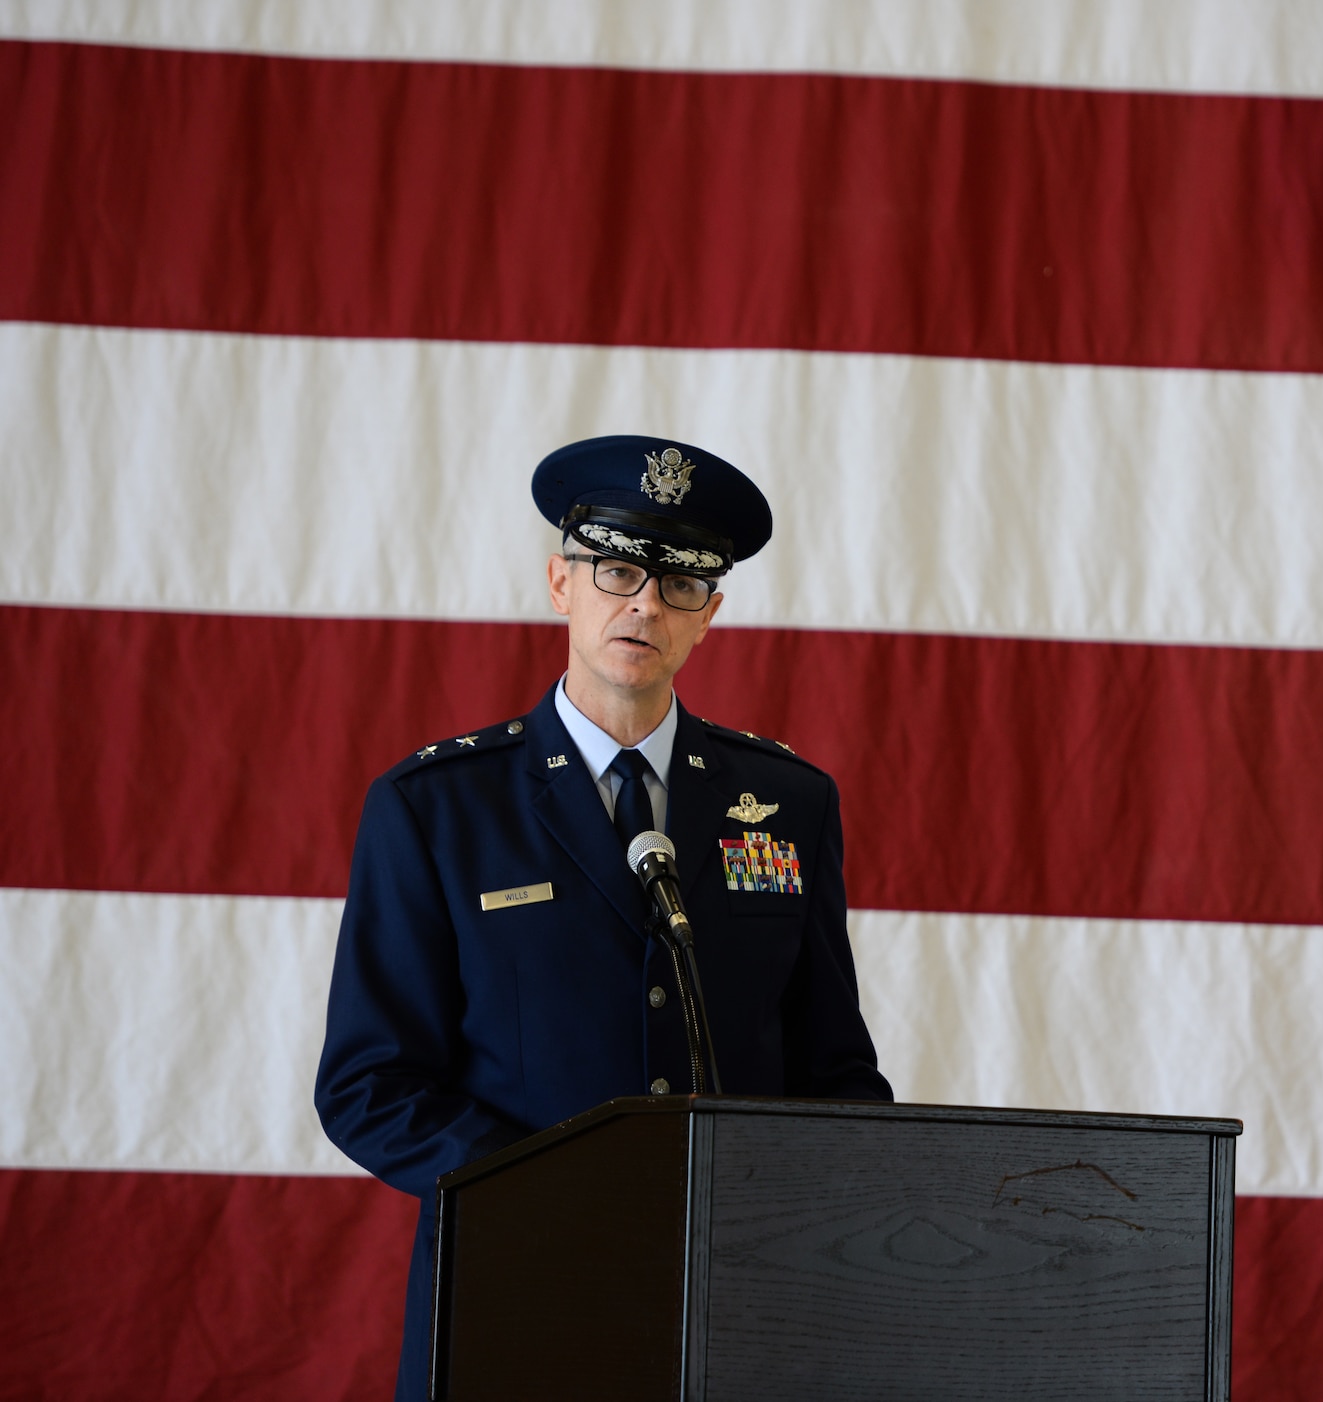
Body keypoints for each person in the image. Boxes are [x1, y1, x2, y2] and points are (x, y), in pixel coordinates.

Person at [314, 435, 892, 1401]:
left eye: (679, 586)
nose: (644, 605)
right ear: (560, 583)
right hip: (519, 1288)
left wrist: (837, 1228)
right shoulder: (438, 807)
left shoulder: (789, 801)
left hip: (740, 1301)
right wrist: (557, 1196)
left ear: (711, 614)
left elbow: (833, 1067)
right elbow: (369, 1086)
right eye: (617, 570)